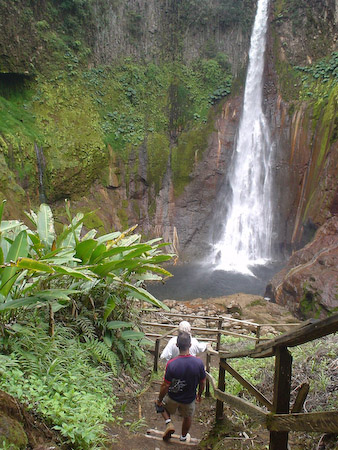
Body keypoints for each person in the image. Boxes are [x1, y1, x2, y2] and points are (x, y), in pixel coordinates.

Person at [156, 331, 206, 442]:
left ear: (177, 345)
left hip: (173, 397)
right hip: (189, 398)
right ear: (190, 345)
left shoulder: (172, 364)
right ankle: (183, 437)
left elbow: (165, 385)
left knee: (161, 405)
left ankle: (169, 423)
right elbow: (202, 382)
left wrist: (159, 399)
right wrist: (199, 394)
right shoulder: (198, 363)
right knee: (188, 416)